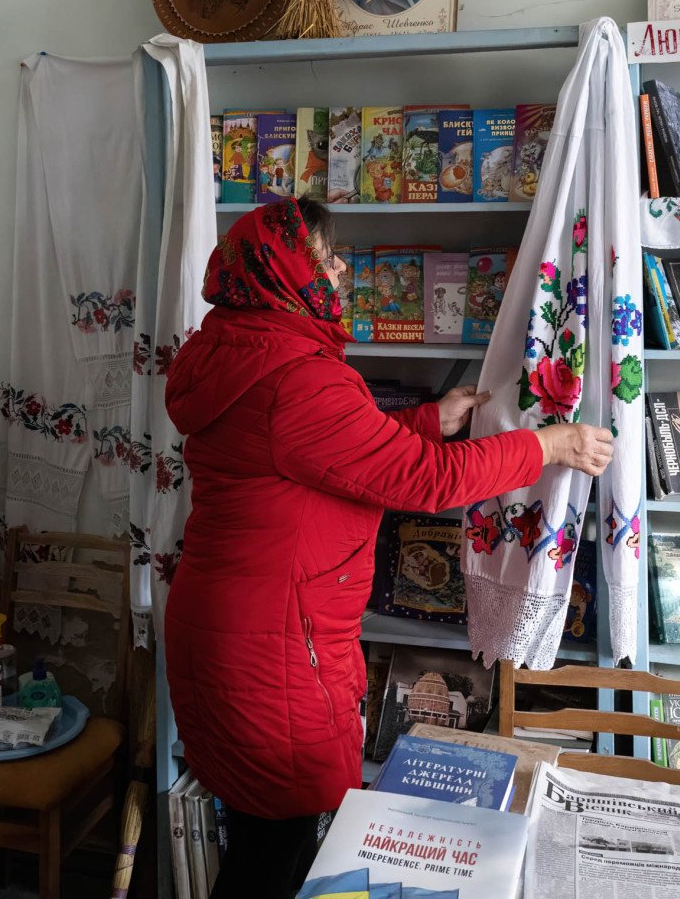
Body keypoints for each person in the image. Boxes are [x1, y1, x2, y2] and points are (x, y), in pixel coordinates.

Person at [163, 199, 614, 898]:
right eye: (325, 258)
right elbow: (425, 480)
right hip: (272, 644)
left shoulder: (240, 343)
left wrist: (428, 419)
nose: (342, 270)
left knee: (259, 837)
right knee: (272, 854)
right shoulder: (297, 376)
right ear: (283, 273)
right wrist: (544, 445)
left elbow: (325, 450)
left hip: (233, 626)